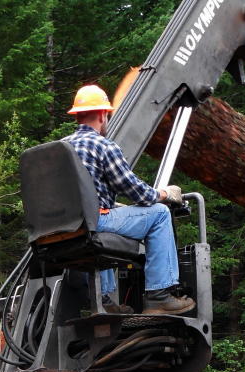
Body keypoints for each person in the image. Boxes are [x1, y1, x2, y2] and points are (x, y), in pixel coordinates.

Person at [64, 84, 195, 316]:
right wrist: (164, 194)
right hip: (95, 221)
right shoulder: (102, 146)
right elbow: (137, 193)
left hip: (65, 228)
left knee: (96, 225)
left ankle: (103, 300)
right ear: (103, 115)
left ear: (77, 115)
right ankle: (159, 297)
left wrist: (111, 206)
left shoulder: (60, 148)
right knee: (159, 214)